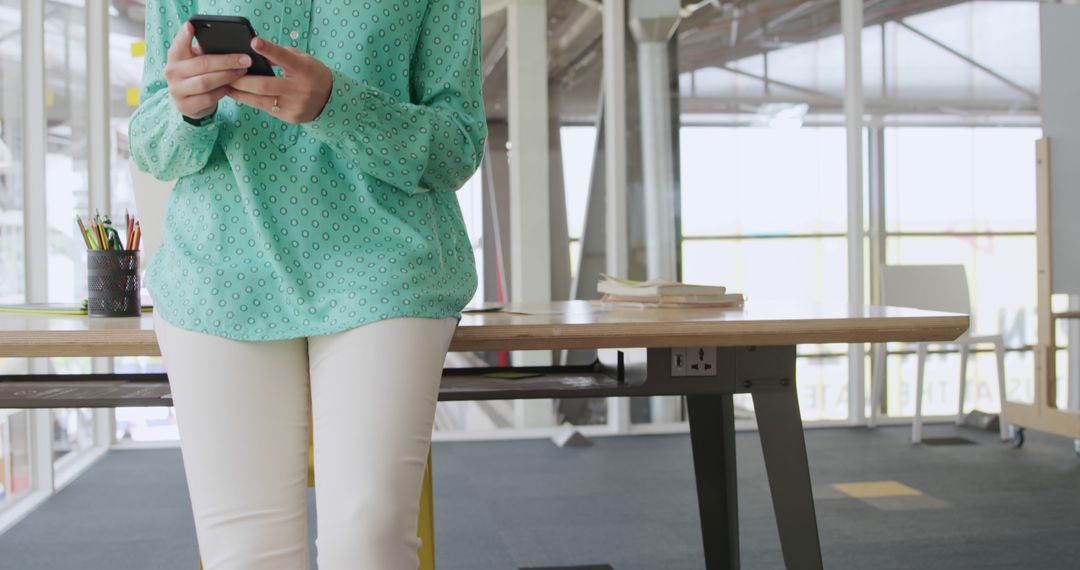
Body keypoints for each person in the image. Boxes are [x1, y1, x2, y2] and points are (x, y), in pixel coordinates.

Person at [128, 1, 486, 568]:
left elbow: (458, 148)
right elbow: (152, 145)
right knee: (244, 555)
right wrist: (185, 111)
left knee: (369, 535)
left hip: (382, 269)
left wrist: (337, 107)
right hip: (221, 272)